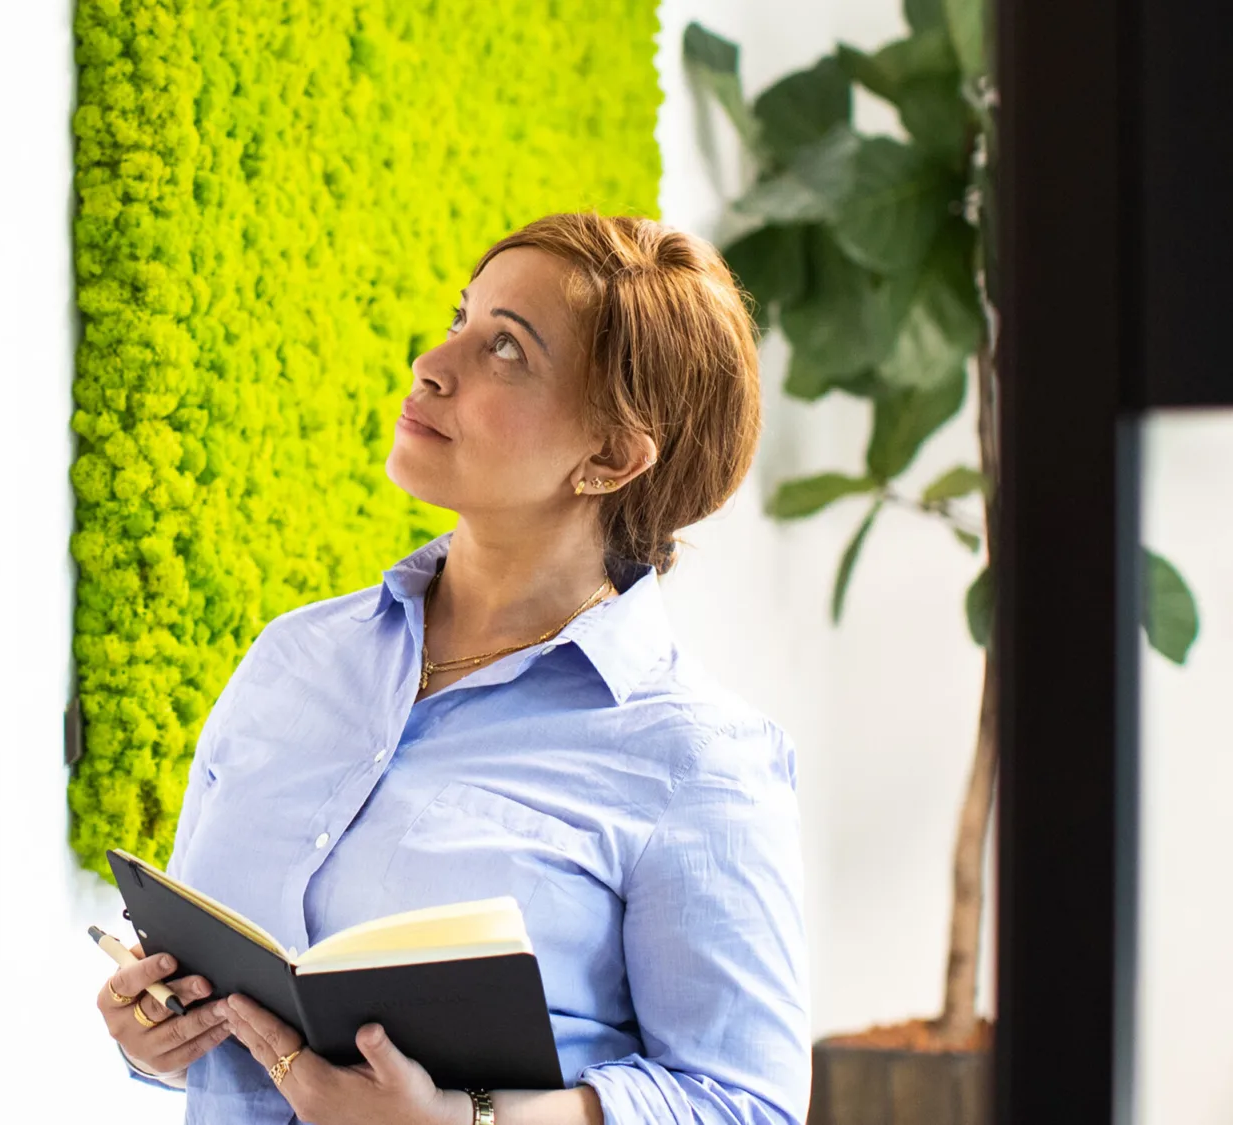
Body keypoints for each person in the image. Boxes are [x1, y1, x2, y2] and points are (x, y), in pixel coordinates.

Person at [94, 213, 809, 1125]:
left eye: (506, 348)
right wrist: (158, 1035)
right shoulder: (295, 657)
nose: (431, 364)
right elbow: (209, 999)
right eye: (461, 318)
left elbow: (745, 1104)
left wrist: (475, 1121)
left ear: (610, 455)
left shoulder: (699, 762)